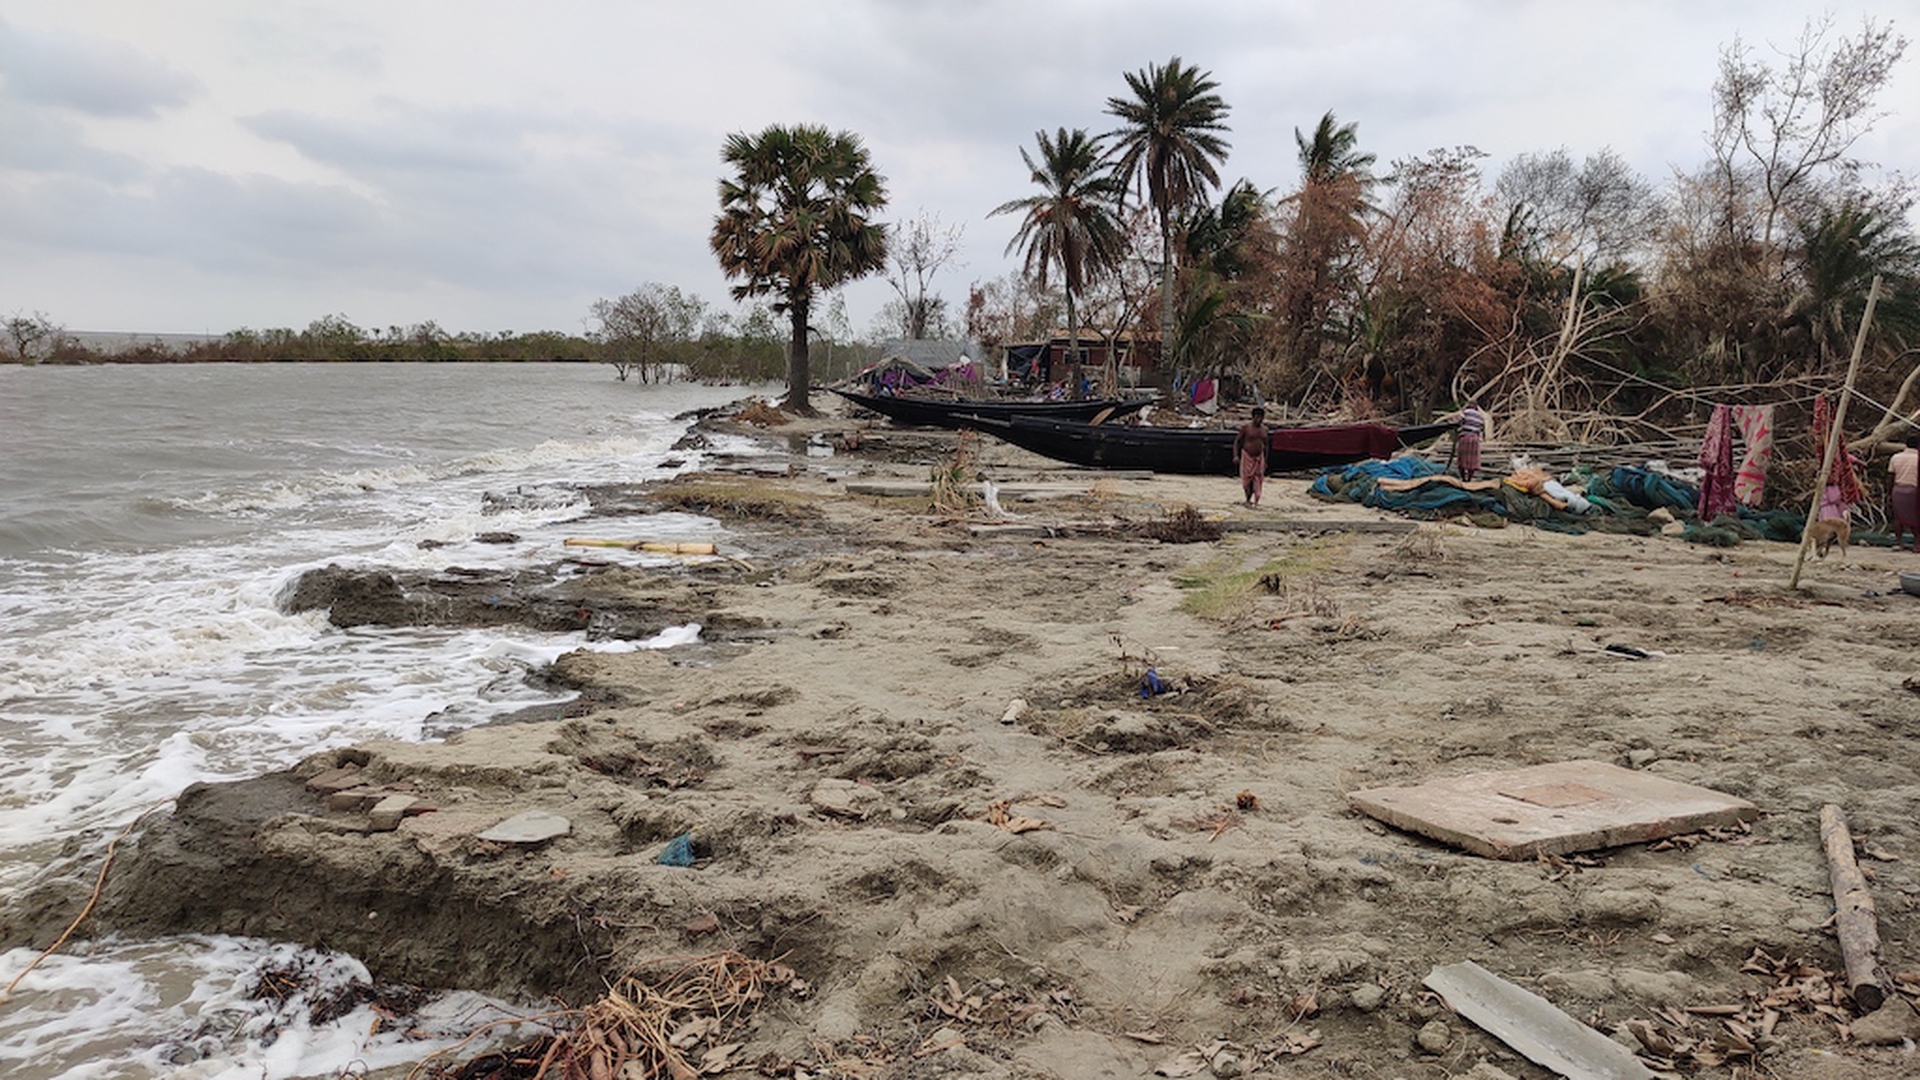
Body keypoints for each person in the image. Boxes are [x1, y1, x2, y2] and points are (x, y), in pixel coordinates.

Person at [1233, 406, 1269, 507]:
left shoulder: (1265, 430)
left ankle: (1255, 499)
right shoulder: (1246, 428)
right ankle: (1247, 499)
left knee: (1257, 478)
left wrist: (1265, 460)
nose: (1259, 420)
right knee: (1247, 480)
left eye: (1261, 417)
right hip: (1247, 456)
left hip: (1259, 457)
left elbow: (1266, 446)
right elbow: (1237, 442)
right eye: (1257, 417)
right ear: (1253, 417)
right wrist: (1236, 455)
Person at [1891, 432, 1920, 552]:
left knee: (1898, 517)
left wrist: (1890, 493)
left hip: (1898, 489)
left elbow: (1890, 476)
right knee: (1917, 517)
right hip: (1915, 490)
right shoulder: (1918, 458)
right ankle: (1917, 545)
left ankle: (1899, 543)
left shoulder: (1896, 457)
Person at [1455, 399, 1487, 482]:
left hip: (1465, 437)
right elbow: (1481, 429)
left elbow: (1457, 422)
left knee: (1461, 459)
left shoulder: (1465, 412)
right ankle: (1469, 479)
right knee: (1472, 461)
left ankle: (1463, 478)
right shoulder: (1480, 417)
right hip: (1475, 439)